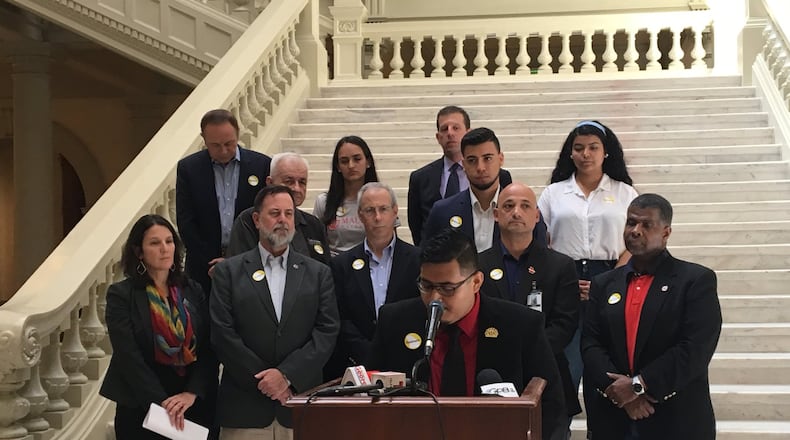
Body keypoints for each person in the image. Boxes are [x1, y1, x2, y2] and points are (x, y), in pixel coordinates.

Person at [368, 228, 565, 440]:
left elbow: (550, 407)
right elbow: (368, 396)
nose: (435, 298)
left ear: (476, 282)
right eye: (426, 285)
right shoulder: (395, 322)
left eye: (447, 288)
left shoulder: (520, 325)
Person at [582, 194, 722, 440]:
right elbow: (591, 343)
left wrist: (638, 385)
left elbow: (695, 348)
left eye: (646, 225)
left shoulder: (695, 281)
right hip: (614, 418)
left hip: (674, 417)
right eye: (631, 222)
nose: (635, 231)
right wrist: (622, 396)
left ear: (666, 232)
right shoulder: (604, 284)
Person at [210, 185, 339, 440]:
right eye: (275, 213)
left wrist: (287, 376)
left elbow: (327, 331)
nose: (283, 220)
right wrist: (267, 382)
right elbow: (222, 333)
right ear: (257, 220)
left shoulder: (318, 273)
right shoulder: (229, 272)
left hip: (300, 407)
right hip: (245, 411)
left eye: (289, 214)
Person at [537, 120, 638, 400]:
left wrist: (609, 281)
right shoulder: (553, 193)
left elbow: (634, 243)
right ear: (570, 153)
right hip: (564, 279)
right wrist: (563, 277)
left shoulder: (624, 192)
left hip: (612, 278)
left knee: (607, 360)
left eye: (593, 147)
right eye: (579, 148)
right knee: (566, 363)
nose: (586, 154)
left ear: (606, 152)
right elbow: (541, 240)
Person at [100, 214, 217, 440]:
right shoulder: (122, 295)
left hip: (192, 405)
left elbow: (209, 347)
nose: (165, 248)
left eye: (169, 241)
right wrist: (162, 403)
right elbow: (128, 357)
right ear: (139, 252)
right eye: (155, 243)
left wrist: (191, 393)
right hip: (142, 407)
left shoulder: (193, 290)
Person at [478, 182, 581, 435]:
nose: (516, 212)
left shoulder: (561, 266)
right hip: (490, 375)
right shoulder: (478, 264)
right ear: (496, 214)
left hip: (547, 376)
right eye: (509, 206)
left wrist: (526, 351)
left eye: (525, 206)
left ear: (536, 215)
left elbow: (564, 324)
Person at [329, 182, 421, 376]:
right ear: (360, 215)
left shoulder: (418, 260)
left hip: (408, 359)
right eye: (370, 210)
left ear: (395, 211)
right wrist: (367, 352)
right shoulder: (342, 265)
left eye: (383, 209)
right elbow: (340, 317)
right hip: (358, 365)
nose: (377, 217)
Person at [176, 109, 272, 294]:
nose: (223, 150)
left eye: (229, 143)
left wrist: (237, 258)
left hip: (251, 263)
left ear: (238, 135)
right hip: (203, 268)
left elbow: (265, 218)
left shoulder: (261, 165)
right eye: (215, 145)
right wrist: (210, 261)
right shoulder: (189, 169)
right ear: (204, 140)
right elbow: (186, 220)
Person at [422, 127, 547, 251]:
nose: (480, 167)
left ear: (500, 159)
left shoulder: (525, 211)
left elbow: (540, 259)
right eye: (472, 160)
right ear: (464, 164)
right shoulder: (443, 211)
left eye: (487, 158)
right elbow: (429, 261)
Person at [407, 105, 513, 245]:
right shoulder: (420, 178)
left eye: (456, 128)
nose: (450, 133)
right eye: (445, 129)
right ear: (438, 137)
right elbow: (417, 227)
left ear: (467, 132)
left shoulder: (499, 176)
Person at [226, 152, 329, 264]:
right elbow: (240, 269)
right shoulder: (248, 221)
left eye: (302, 182)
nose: (296, 188)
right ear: (270, 183)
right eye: (289, 181)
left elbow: (324, 273)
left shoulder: (314, 225)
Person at [313, 136, 380, 256]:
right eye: (344, 161)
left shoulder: (382, 199)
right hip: (334, 268)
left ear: (368, 162)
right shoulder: (323, 202)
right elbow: (316, 242)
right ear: (338, 166)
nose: (351, 165)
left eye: (357, 159)